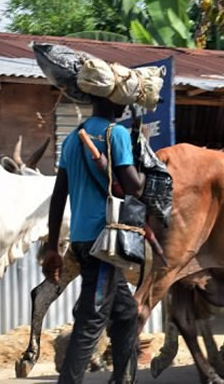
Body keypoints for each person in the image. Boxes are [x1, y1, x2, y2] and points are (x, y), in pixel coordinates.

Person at [43, 97, 145, 384]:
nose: (127, 106)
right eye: (123, 99)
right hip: (106, 245)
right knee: (91, 321)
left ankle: (124, 378)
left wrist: (53, 247)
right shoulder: (117, 134)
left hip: (81, 241)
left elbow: (59, 195)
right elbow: (134, 187)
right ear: (113, 101)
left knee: (126, 314)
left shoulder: (75, 138)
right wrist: (147, 164)